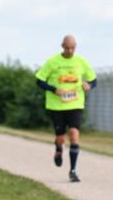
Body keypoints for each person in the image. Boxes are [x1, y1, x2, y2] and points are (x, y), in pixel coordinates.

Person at [35, 35, 96, 183]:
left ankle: (73, 171)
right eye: (67, 48)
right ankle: (58, 149)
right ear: (62, 46)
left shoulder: (81, 61)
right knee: (61, 137)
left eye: (72, 48)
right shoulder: (53, 61)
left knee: (74, 135)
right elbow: (39, 81)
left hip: (75, 104)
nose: (69, 51)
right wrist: (53, 89)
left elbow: (93, 80)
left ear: (75, 47)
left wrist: (90, 85)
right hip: (56, 106)